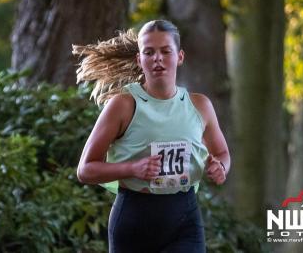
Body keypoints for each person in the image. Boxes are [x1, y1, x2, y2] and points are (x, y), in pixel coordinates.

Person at [73, 19, 230, 253]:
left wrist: (221, 168)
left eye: (166, 51)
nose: (157, 58)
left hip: (184, 219)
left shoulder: (200, 105)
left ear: (180, 56)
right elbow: (85, 170)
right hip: (134, 220)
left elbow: (222, 154)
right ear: (140, 59)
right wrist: (133, 168)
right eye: (149, 52)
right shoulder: (123, 105)